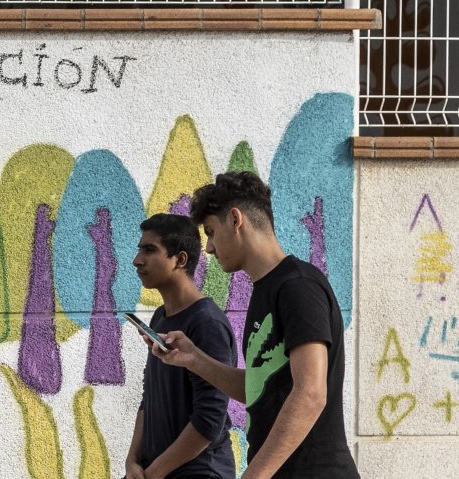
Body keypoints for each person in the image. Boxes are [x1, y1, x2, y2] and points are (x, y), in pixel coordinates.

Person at [154, 171, 359, 479]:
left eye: (211, 231)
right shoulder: (266, 289)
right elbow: (262, 388)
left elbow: (311, 392)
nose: (208, 247)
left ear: (236, 219)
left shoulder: (297, 286)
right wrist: (193, 358)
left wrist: (255, 475)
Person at [126, 214, 235, 479]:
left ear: (180, 260)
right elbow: (149, 397)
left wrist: (155, 472)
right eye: (139, 249)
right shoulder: (160, 317)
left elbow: (210, 418)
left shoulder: (206, 323)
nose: (137, 260)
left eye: (150, 250)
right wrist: (132, 461)